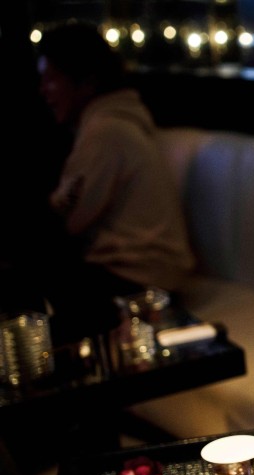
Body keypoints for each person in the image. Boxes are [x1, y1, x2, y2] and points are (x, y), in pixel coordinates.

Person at [8, 21, 195, 343]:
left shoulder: (106, 130)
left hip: (141, 281)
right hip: (148, 275)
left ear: (86, 82)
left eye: (51, 79)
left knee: (23, 285)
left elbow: (67, 221)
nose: (43, 90)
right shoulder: (115, 120)